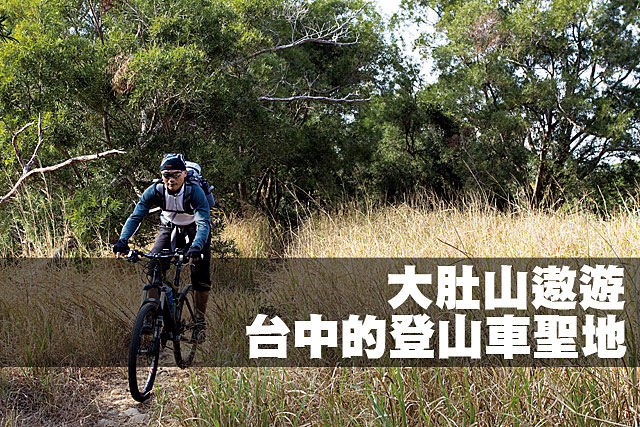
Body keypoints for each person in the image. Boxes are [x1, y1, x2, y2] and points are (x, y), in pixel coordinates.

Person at [113, 153, 211, 342]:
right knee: (154, 267)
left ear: (184, 173)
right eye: (166, 175)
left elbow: (203, 223)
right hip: (168, 227)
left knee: (200, 277)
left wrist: (197, 246)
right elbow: (136, 216)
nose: (171, 180)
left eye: (175, 175)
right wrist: (123, 240)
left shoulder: (194, 192)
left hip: (195, 228)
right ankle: (151, 312)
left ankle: (199, 321)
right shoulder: (156, 190)